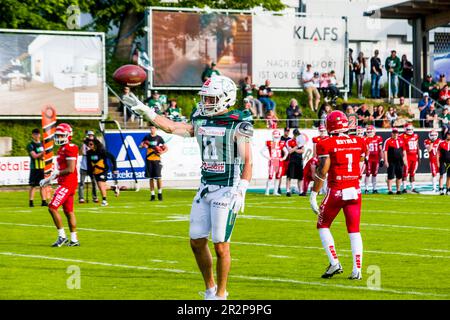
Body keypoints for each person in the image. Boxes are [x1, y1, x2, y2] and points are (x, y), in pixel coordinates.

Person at [127, 74, 253, 300]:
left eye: (211, 98)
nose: (205, 103)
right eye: (205, 98)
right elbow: (172, 127)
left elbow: (248, 160)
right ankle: (210, 289)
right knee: (196, 241)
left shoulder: (238, 122)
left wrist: (242, 187)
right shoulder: (201, 120)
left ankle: (222, 295)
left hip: (227, 187)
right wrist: (143, 109)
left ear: (225, 98)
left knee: (221, 246)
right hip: (205, 186)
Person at [309, 110, 365, 280]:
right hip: (355, 190)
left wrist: (313, 194)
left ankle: (334, 263)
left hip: (337, 190)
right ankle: (357, 270)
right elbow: (361, 163)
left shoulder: (326, 144)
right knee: (354, 230)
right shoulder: (360, 141)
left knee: (323, 225)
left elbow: (323, 170)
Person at [39, 123, 79, 247]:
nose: (59, 137)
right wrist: (50, 178)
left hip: (68, 183)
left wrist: (55, 174)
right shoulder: (62, 148)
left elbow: (71, 169)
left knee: (52, 207)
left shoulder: (70, 148)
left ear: (68, 135)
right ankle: (74, 239)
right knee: (68, 211)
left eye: (62, 135)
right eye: (58, 135)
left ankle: (62, 237)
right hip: (66, 182)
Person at [86, 139, 119, 206]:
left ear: (95, 144)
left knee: (101, 185)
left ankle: (104, 201)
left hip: (103, 171)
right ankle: (114, 187)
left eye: (91, 144)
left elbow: (112, 158)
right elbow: (89, 163)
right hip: (95, 172)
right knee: (102, 187)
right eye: (88, 144)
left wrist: (115, 168)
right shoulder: (89, 153)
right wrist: (89, 172)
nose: (89, 146)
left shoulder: (101, 151)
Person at [139, 125, 168, 201]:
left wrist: (161, 152)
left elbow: (166, 148)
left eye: (153, 128)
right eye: (151, 128)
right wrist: (143, 146)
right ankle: (152, 195)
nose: (152, 129)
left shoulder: (159, 138)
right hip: (149, 159)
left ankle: (160, 194)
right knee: (151, 178)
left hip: (157, 159)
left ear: (156, 129)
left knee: (158, 178)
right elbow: (140, 146)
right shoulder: (146, 137)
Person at [262, 130, 288, 196]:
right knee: (270, 176)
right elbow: (261, 151)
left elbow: (286, 152)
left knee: (278, 177)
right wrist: (268, 157)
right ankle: (267, 191)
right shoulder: (270, 143)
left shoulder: (281, 143)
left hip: (279, 161)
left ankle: (275, 191)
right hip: (273, 161)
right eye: (275, 137)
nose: (276, 138)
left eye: (277, 137)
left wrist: (283, 158)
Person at [27, 128, 48, 207]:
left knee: (43, 185)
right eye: (35, 134)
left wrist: (44, 156)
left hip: (43, 167)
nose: (37, 135)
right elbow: (34, 156)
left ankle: (44, 201)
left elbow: (47, 155)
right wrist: (42, 153)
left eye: (38, 134)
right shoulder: (30, 145)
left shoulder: (43, 144)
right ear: (32, 135)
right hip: (34, 168)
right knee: (33, 185)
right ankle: (31, 202)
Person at [383, 127, 407, 195]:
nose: (395, 134)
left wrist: (405, 159)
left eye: (396, 133)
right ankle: (390, 190)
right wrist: (386, 161)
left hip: (399, 161)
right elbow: (385, 151)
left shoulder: (401, 140)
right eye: (394, 133)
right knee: (390, 176)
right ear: (392, 133)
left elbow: (404, 151)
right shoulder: (388, 141)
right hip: (391, 161)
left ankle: (398, 189)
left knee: (399, 176)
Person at [78, 131, 98, 204]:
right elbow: (82, 152)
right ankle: (81, 198)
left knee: (94, 182)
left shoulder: (95, 145)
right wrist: (84, 144)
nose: (90, 137)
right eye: (89, 136)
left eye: (91, 136)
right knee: (82, 183)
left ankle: (95, 197)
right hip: (84, 166)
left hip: (92, 167)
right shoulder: (84, 144)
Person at [400, 124, 420, 193]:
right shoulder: (402, 136)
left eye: (411, 129)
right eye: (408, 129)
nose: (410, 131)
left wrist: (419, 157)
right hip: (407, 156)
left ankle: (413, 188)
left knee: (413, 173)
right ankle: (404, 188)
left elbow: (417, 146)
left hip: (414, 156)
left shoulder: (416, 136)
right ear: (405, 129)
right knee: (405, 172)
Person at [364, 125, 384, 194]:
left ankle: (374, 188)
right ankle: (366, 188)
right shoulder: (365, 139)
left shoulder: (378, 138)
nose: (369, 133)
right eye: (368, 131)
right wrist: (365, 157)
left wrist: (382, 158)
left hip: (376, 158)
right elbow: (365, 150)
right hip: (369, 158)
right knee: (368, 173)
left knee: (375, 173)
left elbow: (380, 149)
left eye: (370, 131)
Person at [286, 129, 304, 196]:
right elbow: (290, 151)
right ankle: (288, 191)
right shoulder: (289, 141)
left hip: (299, 160)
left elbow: (302, 151)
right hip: (292, 160)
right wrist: (296, 147)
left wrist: (294, 149)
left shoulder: (300, 141)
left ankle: (301, 191)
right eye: (296, 134)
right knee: (289, 176)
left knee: (300, 177)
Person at [437, 131, 450, 195]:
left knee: (449, 177)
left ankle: (448, 189)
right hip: (443, 161)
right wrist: (437, 162)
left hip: (449, 163)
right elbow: (438, 153)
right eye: (448, 134)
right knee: (442, 175)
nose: (449, 136)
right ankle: (441, 189)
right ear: (446, 135)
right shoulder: (442, 143)